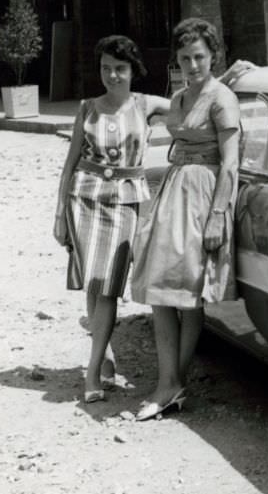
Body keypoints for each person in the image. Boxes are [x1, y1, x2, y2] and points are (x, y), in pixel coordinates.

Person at [131, 18, 241, 421]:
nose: (192, 65)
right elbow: (155, 107)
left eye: (199, 57)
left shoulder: (221, 98)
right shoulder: (179, 97)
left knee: (190, 295)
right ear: (175, 61)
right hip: (173, 194)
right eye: (184, 58)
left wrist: (217, 216)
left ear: (212, 57)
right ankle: (170, 381)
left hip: (203, 197)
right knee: (161, 290)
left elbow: (230, 164)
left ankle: (171, 384)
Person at [53, 35, 170, 403]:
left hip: (126, 201)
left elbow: (196, 100)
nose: (112, 76)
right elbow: (70, 162)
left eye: (119, 68)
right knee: (95, 281)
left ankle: (93, 366)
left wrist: (233, 76)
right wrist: (59, 214)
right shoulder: (88, 107)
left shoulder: (146, 104)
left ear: (133, 69)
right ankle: (100, 359)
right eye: (106, 68)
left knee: (108, 285)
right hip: (84, 199)